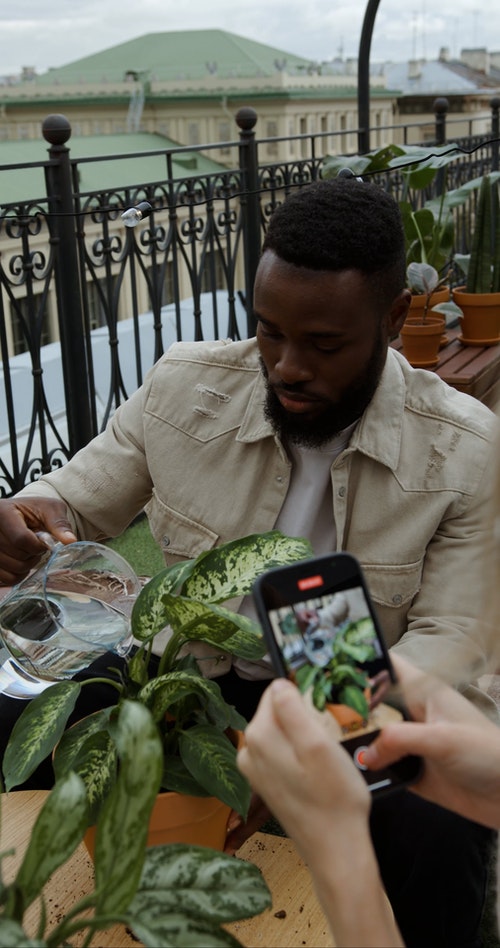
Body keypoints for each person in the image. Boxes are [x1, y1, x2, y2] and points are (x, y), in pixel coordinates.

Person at [0, 177, 498, 946]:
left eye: (325, 344)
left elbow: (450, 637)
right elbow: (75, 497)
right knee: (18, 718)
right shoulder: (185, 385)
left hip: (357, 682)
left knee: (434, 819)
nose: (287, 366)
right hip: (191, 672)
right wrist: (30, 518)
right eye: (268, 331)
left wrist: (308, 734)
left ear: (395, 319)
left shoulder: (465, 449)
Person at [237, 653, 500, 948]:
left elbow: (450, 626)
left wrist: (340, 858)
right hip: (252, 692)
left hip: (366, 692)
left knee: (439, 820)